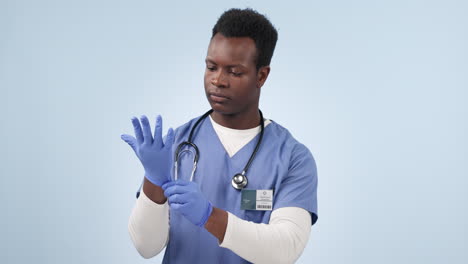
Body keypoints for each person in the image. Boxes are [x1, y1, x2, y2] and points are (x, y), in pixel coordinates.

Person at [121, 8, 318, 264]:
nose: (218, 80)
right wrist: (153, 182)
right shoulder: (176, 145)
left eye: (234, 72)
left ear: (261, 75)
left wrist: (208, 216)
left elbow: (285, 250)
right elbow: (146, 246)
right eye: (211, 67)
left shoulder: (292, 157)